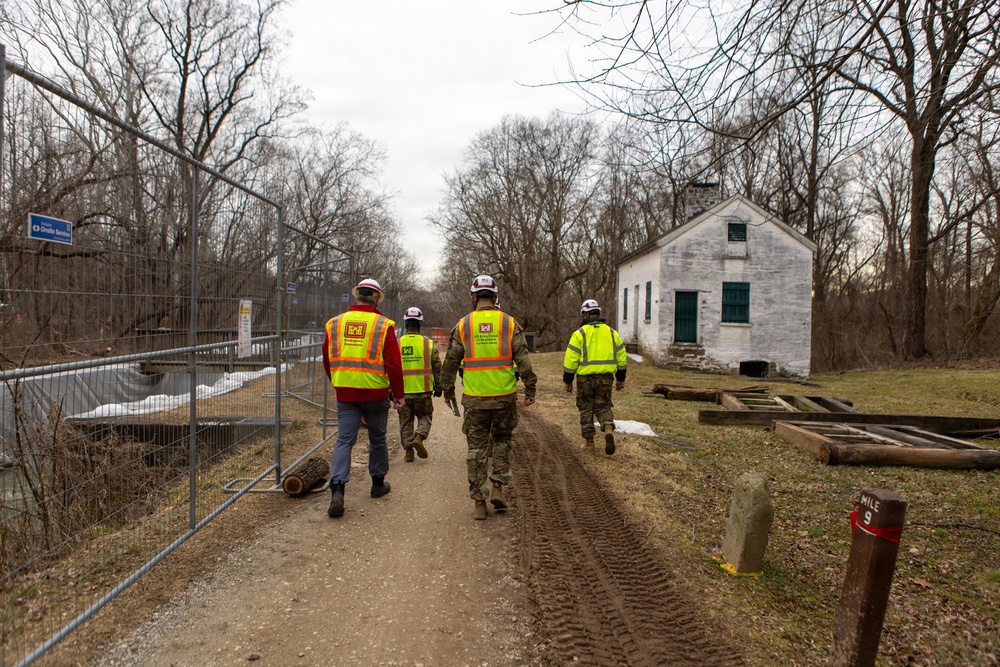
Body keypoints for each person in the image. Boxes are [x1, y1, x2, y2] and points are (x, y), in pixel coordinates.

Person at [439, 275, 537, 520]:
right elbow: (523, 360)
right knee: (503, 441)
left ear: (473, 298)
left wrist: (448, 391)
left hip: (475, 399)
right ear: (495, 297)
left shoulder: (463, 325)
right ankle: (498, 488)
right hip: (504, 397)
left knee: (476, 449)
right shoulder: (509, 323)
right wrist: (531, 387)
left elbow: (450, 362)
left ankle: (479, 503)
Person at [322, 278, 405, 518]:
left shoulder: (334, 324)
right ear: (377, 299)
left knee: (344, 441)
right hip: (375, 393)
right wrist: (398, 395)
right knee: (377, 439)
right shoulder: (383, 325)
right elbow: (393, 364)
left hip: (345, 393)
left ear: (355, 296)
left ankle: (337, 491)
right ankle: (378, 485)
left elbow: (327, 360)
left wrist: (338, 381)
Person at [563, 299, 627, 455]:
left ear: (585, 315)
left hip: (585, 379)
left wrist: (568, 380)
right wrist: (620, 378)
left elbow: (571, 359)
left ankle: (590, 443)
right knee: (603, 406)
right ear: (599, 313)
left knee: (586, 409)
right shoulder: (612, 333)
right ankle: (608, 429)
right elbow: (621, 357)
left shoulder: (579, 334)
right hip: (605, 378)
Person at [398, 306, 442, 462]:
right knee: (425, 416)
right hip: (423, 391)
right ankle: (419, 437)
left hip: (402, 393)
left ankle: (409, 452)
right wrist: (439, 387)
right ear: (420, 324)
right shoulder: (428, 344)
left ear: (405, 324)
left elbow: (389, 368)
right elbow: (437, 367)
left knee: (405, 421)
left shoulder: (397, 343)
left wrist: (390, 390)